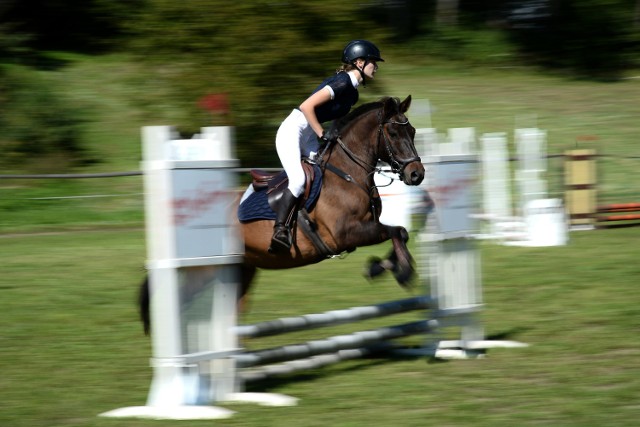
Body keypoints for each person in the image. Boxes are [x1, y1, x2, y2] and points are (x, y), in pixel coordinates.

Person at [269, 39, 384, 253]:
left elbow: (336, 120)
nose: (375, 66)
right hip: (292, 131)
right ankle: (280, 230)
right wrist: (322, 133)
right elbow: (306, 106)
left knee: (329, 173)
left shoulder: (353, 93)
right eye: (373, 62)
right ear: (359, 62)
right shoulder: (342, 83)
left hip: (309, 133)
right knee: (298, 180)